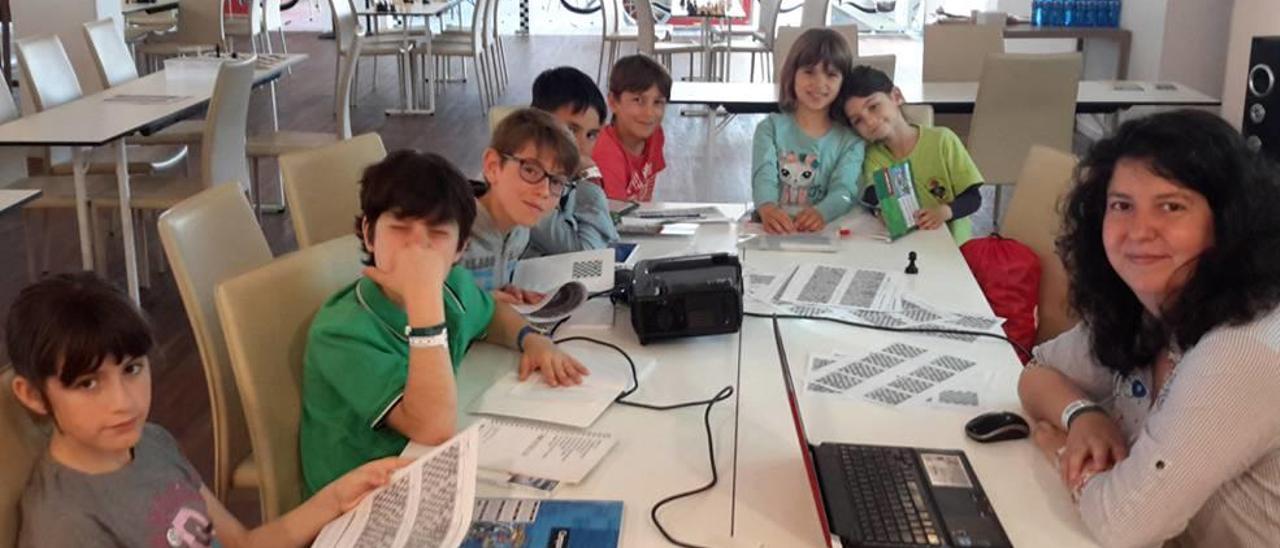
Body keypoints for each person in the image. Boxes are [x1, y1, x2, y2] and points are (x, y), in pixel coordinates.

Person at [1018, 109, 1280, 546]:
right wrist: (1083, 415)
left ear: (1227, 221)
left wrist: (1061, 450)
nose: (1138, 230)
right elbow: (1038, 371)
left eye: (1171, 206)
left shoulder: (1243, 350)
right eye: (1122, 205)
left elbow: (1125, 524)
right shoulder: (1154, 308)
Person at [6, 273, 407, 548]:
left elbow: (243, 543)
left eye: (131, 369)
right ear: (32, 394)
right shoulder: (64, 524)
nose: (123, 402)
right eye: (87, 384)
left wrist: (337, 498)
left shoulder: (151, 442)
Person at [301, 150, 589, 496]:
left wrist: (531, 339)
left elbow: (491, 314)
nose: (418, 249)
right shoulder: (343, 330)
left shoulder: (452, 284)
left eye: (437, 234)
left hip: (427, 467)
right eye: (400, 229)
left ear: (459, 249)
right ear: (368, 233)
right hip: (358, 501)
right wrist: (424, 302)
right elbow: (431, 427)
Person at [841, 65, 983, 244]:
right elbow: (872, 196)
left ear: (896, 96)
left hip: (953, 248)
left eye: (874, 106)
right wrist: (880, 210)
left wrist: (944, 211)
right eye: (858, 120)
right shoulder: (873, 155)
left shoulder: (942, 141)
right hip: (907, 245)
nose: (869, 121)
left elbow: (973, 198)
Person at [461, 107, 580, 304]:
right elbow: (407, 308)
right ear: (492, 167)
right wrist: (484, 304)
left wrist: (504, 291)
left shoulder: (520, 232)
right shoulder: (448, 230)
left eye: (556, 181)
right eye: (531, 170)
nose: (544, 191)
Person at [751, 28, 864, 234]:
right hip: (773, 231)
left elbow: (845, 190)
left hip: (828, 233)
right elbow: (763, 177)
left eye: (831, 75)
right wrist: (767, 207)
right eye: (809, 71)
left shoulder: (851, 141)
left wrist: (822, 212)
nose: (819, 83)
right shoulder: (769, 129)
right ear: (792, 74)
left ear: (843, 82)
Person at [526, 66, 621, 256]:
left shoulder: (563, 182)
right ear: (536, 122)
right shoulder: (523, 184)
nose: (580, 145)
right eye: (571, 130)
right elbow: (586, 255)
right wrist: (590, 179)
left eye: (591, 135)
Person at [592, 54, 671, 202]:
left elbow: (645, 198)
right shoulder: (606, 154)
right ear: (613, 102)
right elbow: (614, 216)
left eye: (658, 102)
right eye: (638, 100)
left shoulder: (655, 135)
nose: (649, 113)